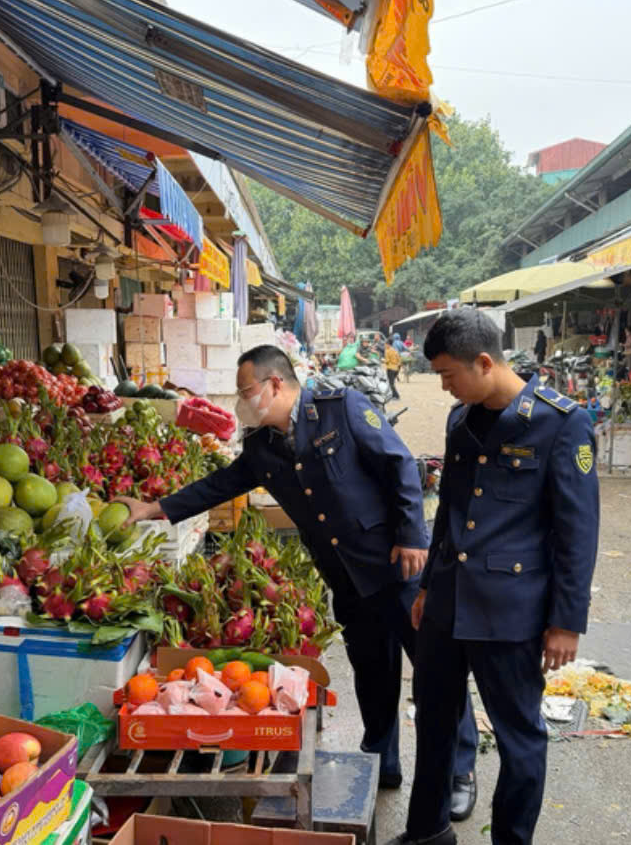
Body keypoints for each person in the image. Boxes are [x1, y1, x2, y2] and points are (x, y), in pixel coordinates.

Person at [118, 346, 479, 814]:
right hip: (346, 577)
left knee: (434, 666)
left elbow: (400, 465)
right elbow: (219, 485)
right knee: (372, 670)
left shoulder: (340, 409)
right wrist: (152, 509)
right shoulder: (262, 447)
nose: (242, 402)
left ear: (274, 385)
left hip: (396, 565)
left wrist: (413, 536)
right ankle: (382, 758)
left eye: (246, 391)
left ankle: (459, 768)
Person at [391, 309, 599, 845]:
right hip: (446, 608)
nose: (444, 386)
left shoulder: (561, 421)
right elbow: (452, 513)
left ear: (485, 362)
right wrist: (429, 588)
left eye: (449, 375)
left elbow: (577, 530)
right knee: (435, 724)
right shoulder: (461, 420)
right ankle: (427, 834)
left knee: (520, 739)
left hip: (510, 611)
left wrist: (566, 621)